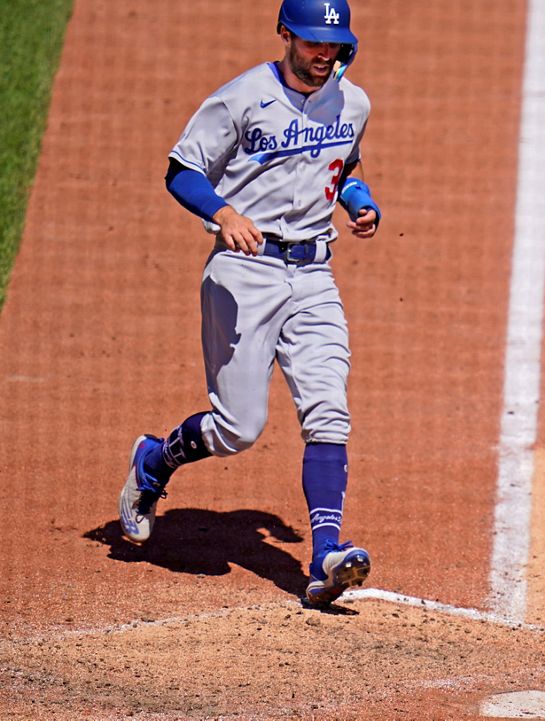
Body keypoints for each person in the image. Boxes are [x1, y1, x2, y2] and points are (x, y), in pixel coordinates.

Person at [118, 0, 381, 608]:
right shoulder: (241, 97)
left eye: (333, 45)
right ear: (285, 33)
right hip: (244, 272)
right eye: (313, 42)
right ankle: (155, 461)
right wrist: (224, 212)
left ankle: (324, 558)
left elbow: (345, 164)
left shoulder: (354, 101)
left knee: (329, 410)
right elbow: (181, 170)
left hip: (315, 275)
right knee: (239, 428)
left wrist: (360, 202)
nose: (323, 55)